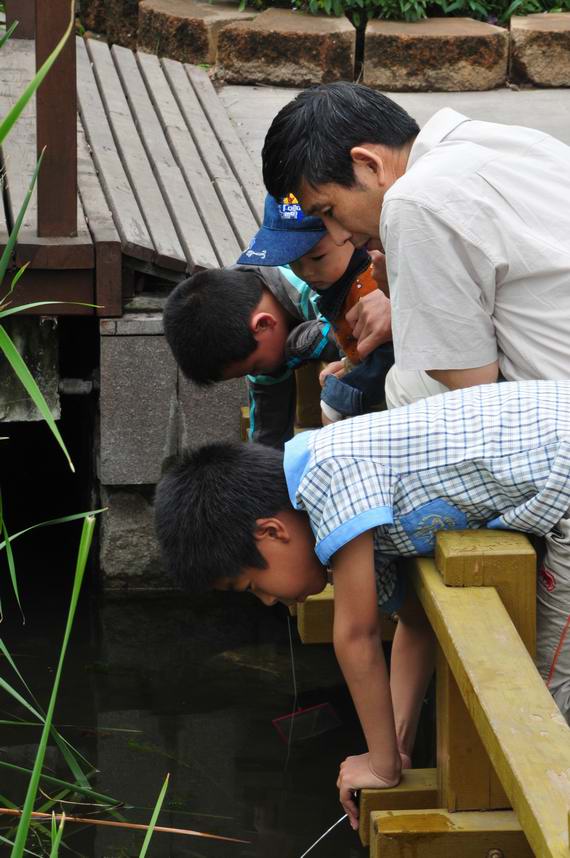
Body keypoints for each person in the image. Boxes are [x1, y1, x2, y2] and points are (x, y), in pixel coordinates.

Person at [154, 379, 570, 828]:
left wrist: (380, 767)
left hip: (563, 474)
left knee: (545, 695)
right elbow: (415, 623)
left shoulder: (329, 475)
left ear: (272, 532)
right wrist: (395, 745)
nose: (270, 599)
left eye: (253, 585)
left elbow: (357, 635)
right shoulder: (331, 488)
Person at [261, 82, 570, 408]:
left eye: (329, 211)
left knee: (406, 386)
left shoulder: (411, 201)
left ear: (368, 164)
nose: (338, 235)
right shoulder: (497, 139)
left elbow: (472, 388)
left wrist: (405, 297)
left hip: (558, 422)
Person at [240, 194, 394, 423]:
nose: (307, 273)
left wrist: (343, 395)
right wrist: (349, 364)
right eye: (293, 261)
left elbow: (388, 353)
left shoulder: (370, 286)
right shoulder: (335, 286)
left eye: (318, 257)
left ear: (348, 231)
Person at [163, 258, 339, 449]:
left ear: (264, 323)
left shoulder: (312, 277)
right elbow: (268, 432)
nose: (255, 374)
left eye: (255, 368)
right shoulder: (248, 323)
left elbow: (353, 332)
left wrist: (307, 341)